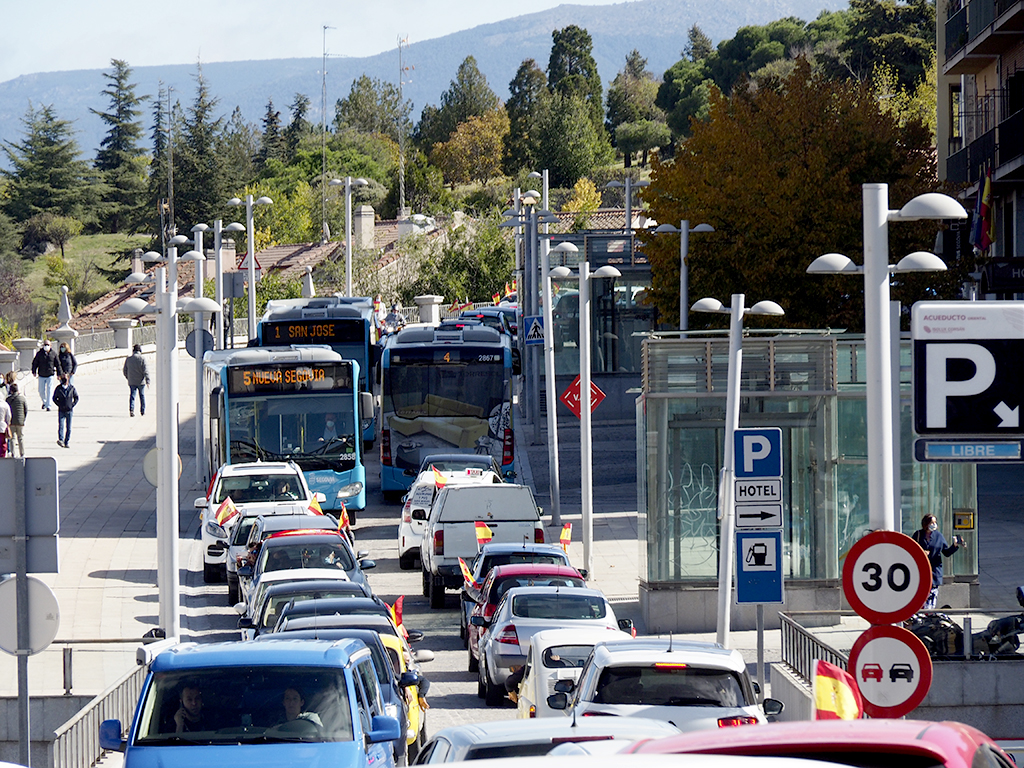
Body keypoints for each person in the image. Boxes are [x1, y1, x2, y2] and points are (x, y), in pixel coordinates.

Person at [911, 513, 962, 609]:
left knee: (931, 598)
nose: (934, 524)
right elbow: (911, 550)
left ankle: (928, 615)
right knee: (921, 598)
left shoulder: (938, 536)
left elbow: (946, 552)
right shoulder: (918, 535)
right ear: (926, 523)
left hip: (934, 572)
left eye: (935, 522)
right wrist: (921, 553)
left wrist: (955, 545)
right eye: (932, 522)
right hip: (920, 571)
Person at [51, 373, 79, 448]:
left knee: (69, 427)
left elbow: (76, 397)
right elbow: (54, 398)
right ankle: (61, 440)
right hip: (61, 410)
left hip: (69, 410)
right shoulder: (58, 388)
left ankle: (66, 441)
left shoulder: (71, 388)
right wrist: (59, 405)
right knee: (61, 425)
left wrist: (72, 405)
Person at [123, 344, 150, 417]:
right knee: (142, 396)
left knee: (132, 396)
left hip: (132, 381)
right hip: (141, 381)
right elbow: (145, 370)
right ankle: (142, 411)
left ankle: (131, 410)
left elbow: (125, 370)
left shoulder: (129, 359)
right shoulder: (142, 359)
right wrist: (147, 380)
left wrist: (128, 377)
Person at [31, 340, 58, 411]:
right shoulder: (39, 354)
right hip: (41, 375)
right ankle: (45, 402)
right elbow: (35, 363)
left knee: (49, 390)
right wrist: (34, 371)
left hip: (50, 375)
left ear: (51, 346)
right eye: (45, 344)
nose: (46, 346)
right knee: (41, 391)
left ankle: (48, 405)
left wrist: (59, 374)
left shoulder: (53, 354)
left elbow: (58, 364)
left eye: (48, 345)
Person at [6, 382, 27, 458]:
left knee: (12, 438)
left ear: (11, 391)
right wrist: (23, 419)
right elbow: (26, 410)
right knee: (20, 437)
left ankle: (13, 453)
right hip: (20, 421)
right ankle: (22, 453)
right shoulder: (22, 398)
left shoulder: (8, 399)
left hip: (11, 421)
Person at [0, 393, 10, 459]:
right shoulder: (5, 404)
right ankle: (2, 457)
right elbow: (9, 416)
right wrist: (7, 423)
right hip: (2, 427)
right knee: (2, 444)